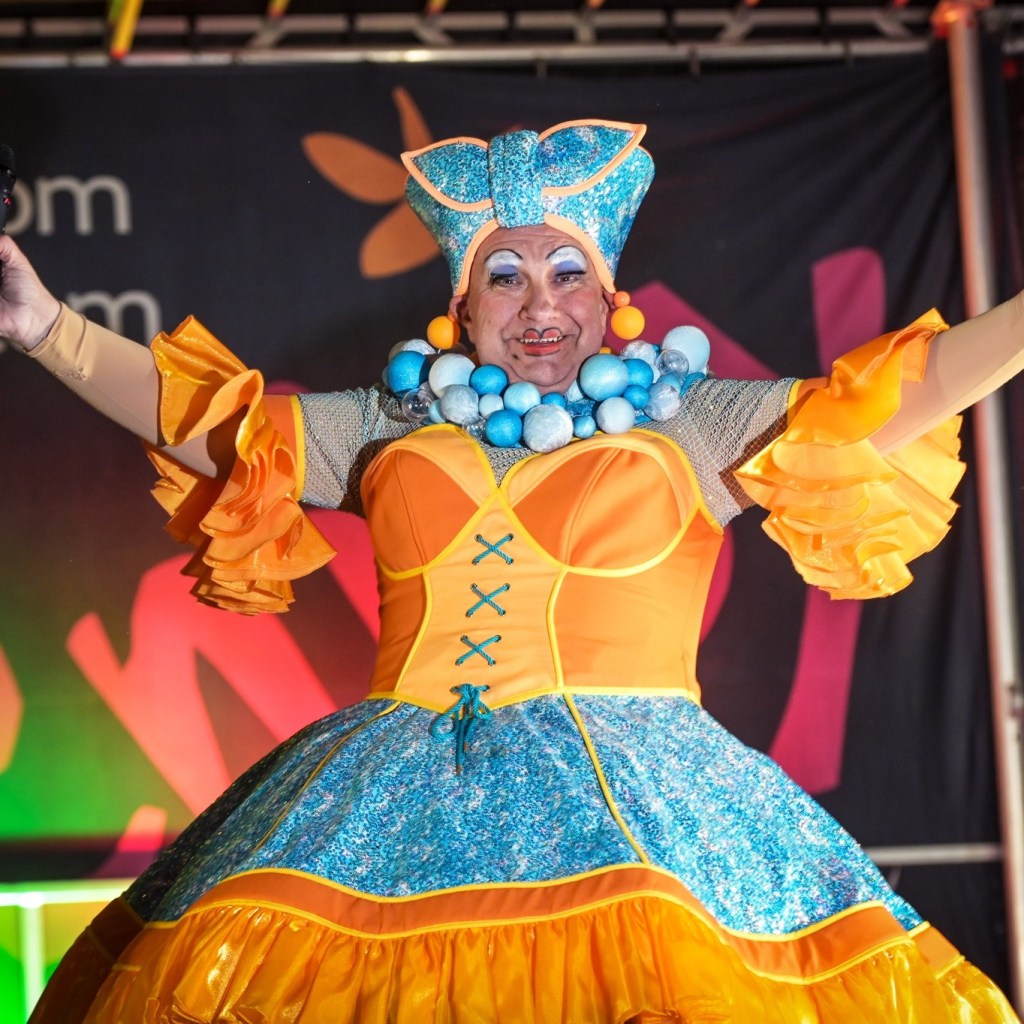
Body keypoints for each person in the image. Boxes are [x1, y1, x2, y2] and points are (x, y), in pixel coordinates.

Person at [3, 118, 1022, 1023]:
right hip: (389, 806)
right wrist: (46, 327)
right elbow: (210, 426)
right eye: (506, 275)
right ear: (463, 302)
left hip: (640, 810)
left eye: (567, 272)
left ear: (610, 297)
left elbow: (895, 396)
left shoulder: (694, 422)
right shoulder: (393, 423)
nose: (540, 303)